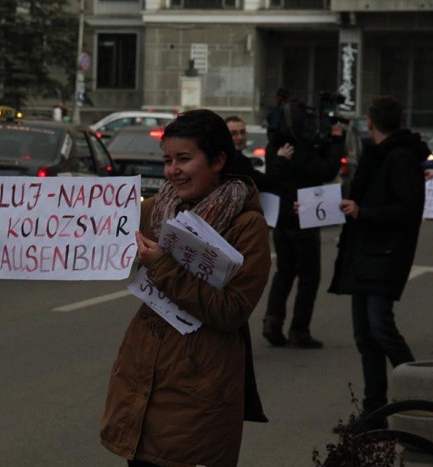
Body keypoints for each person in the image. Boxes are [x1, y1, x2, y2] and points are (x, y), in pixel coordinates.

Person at [100, 109, 271, 467]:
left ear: (218, 160)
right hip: (142, 381)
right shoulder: (160, 208)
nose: (172, 171)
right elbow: (91, 222)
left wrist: (162, 266)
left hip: (198, 392)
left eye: (183, 159)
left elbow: (232, 310)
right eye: (167, 160)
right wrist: (4, 221)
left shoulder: (247, 226)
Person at [328, 95, 428, 418]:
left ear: (370, 123)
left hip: (383, 255)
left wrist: (363, 212)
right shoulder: (381, 155)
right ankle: (375, 410)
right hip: (366, 255)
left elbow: (406, 209)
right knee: (366, 335)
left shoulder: (398, 157)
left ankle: (420, 395)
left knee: (380, 329)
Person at [261, 99, 345, 348]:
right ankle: (299, 329)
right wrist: (336, 142)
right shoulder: (304, 148)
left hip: (280, 217)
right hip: (304, 217)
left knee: (284, 271)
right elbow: (326, 170)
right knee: (309, 276)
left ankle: (272, 322)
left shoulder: (274, 146)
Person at [225, 115, 280, 192]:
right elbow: (263, 182)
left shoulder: (238, 159)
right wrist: (280, 158)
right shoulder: (230, 162)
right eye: (234, 134)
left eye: (242, 132)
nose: (240, 137)